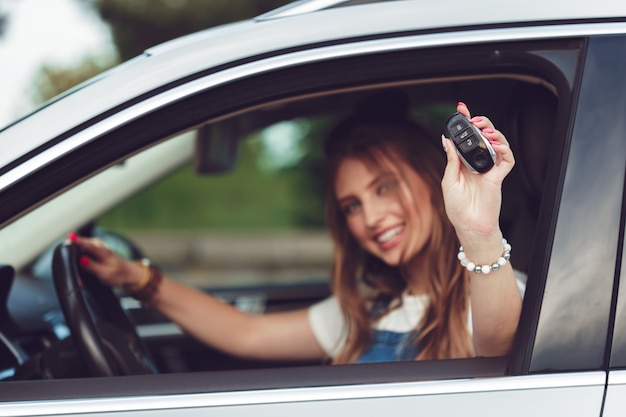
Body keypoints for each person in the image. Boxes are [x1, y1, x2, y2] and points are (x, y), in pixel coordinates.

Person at [70, 90, 522, 364]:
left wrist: (479, 232)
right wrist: (137, 278)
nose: (369, 218)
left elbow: (500, 350)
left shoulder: (497, 290)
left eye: (384, 188)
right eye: (351, 206)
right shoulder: (371, 309)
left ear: (432, 182)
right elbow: (248, 334)